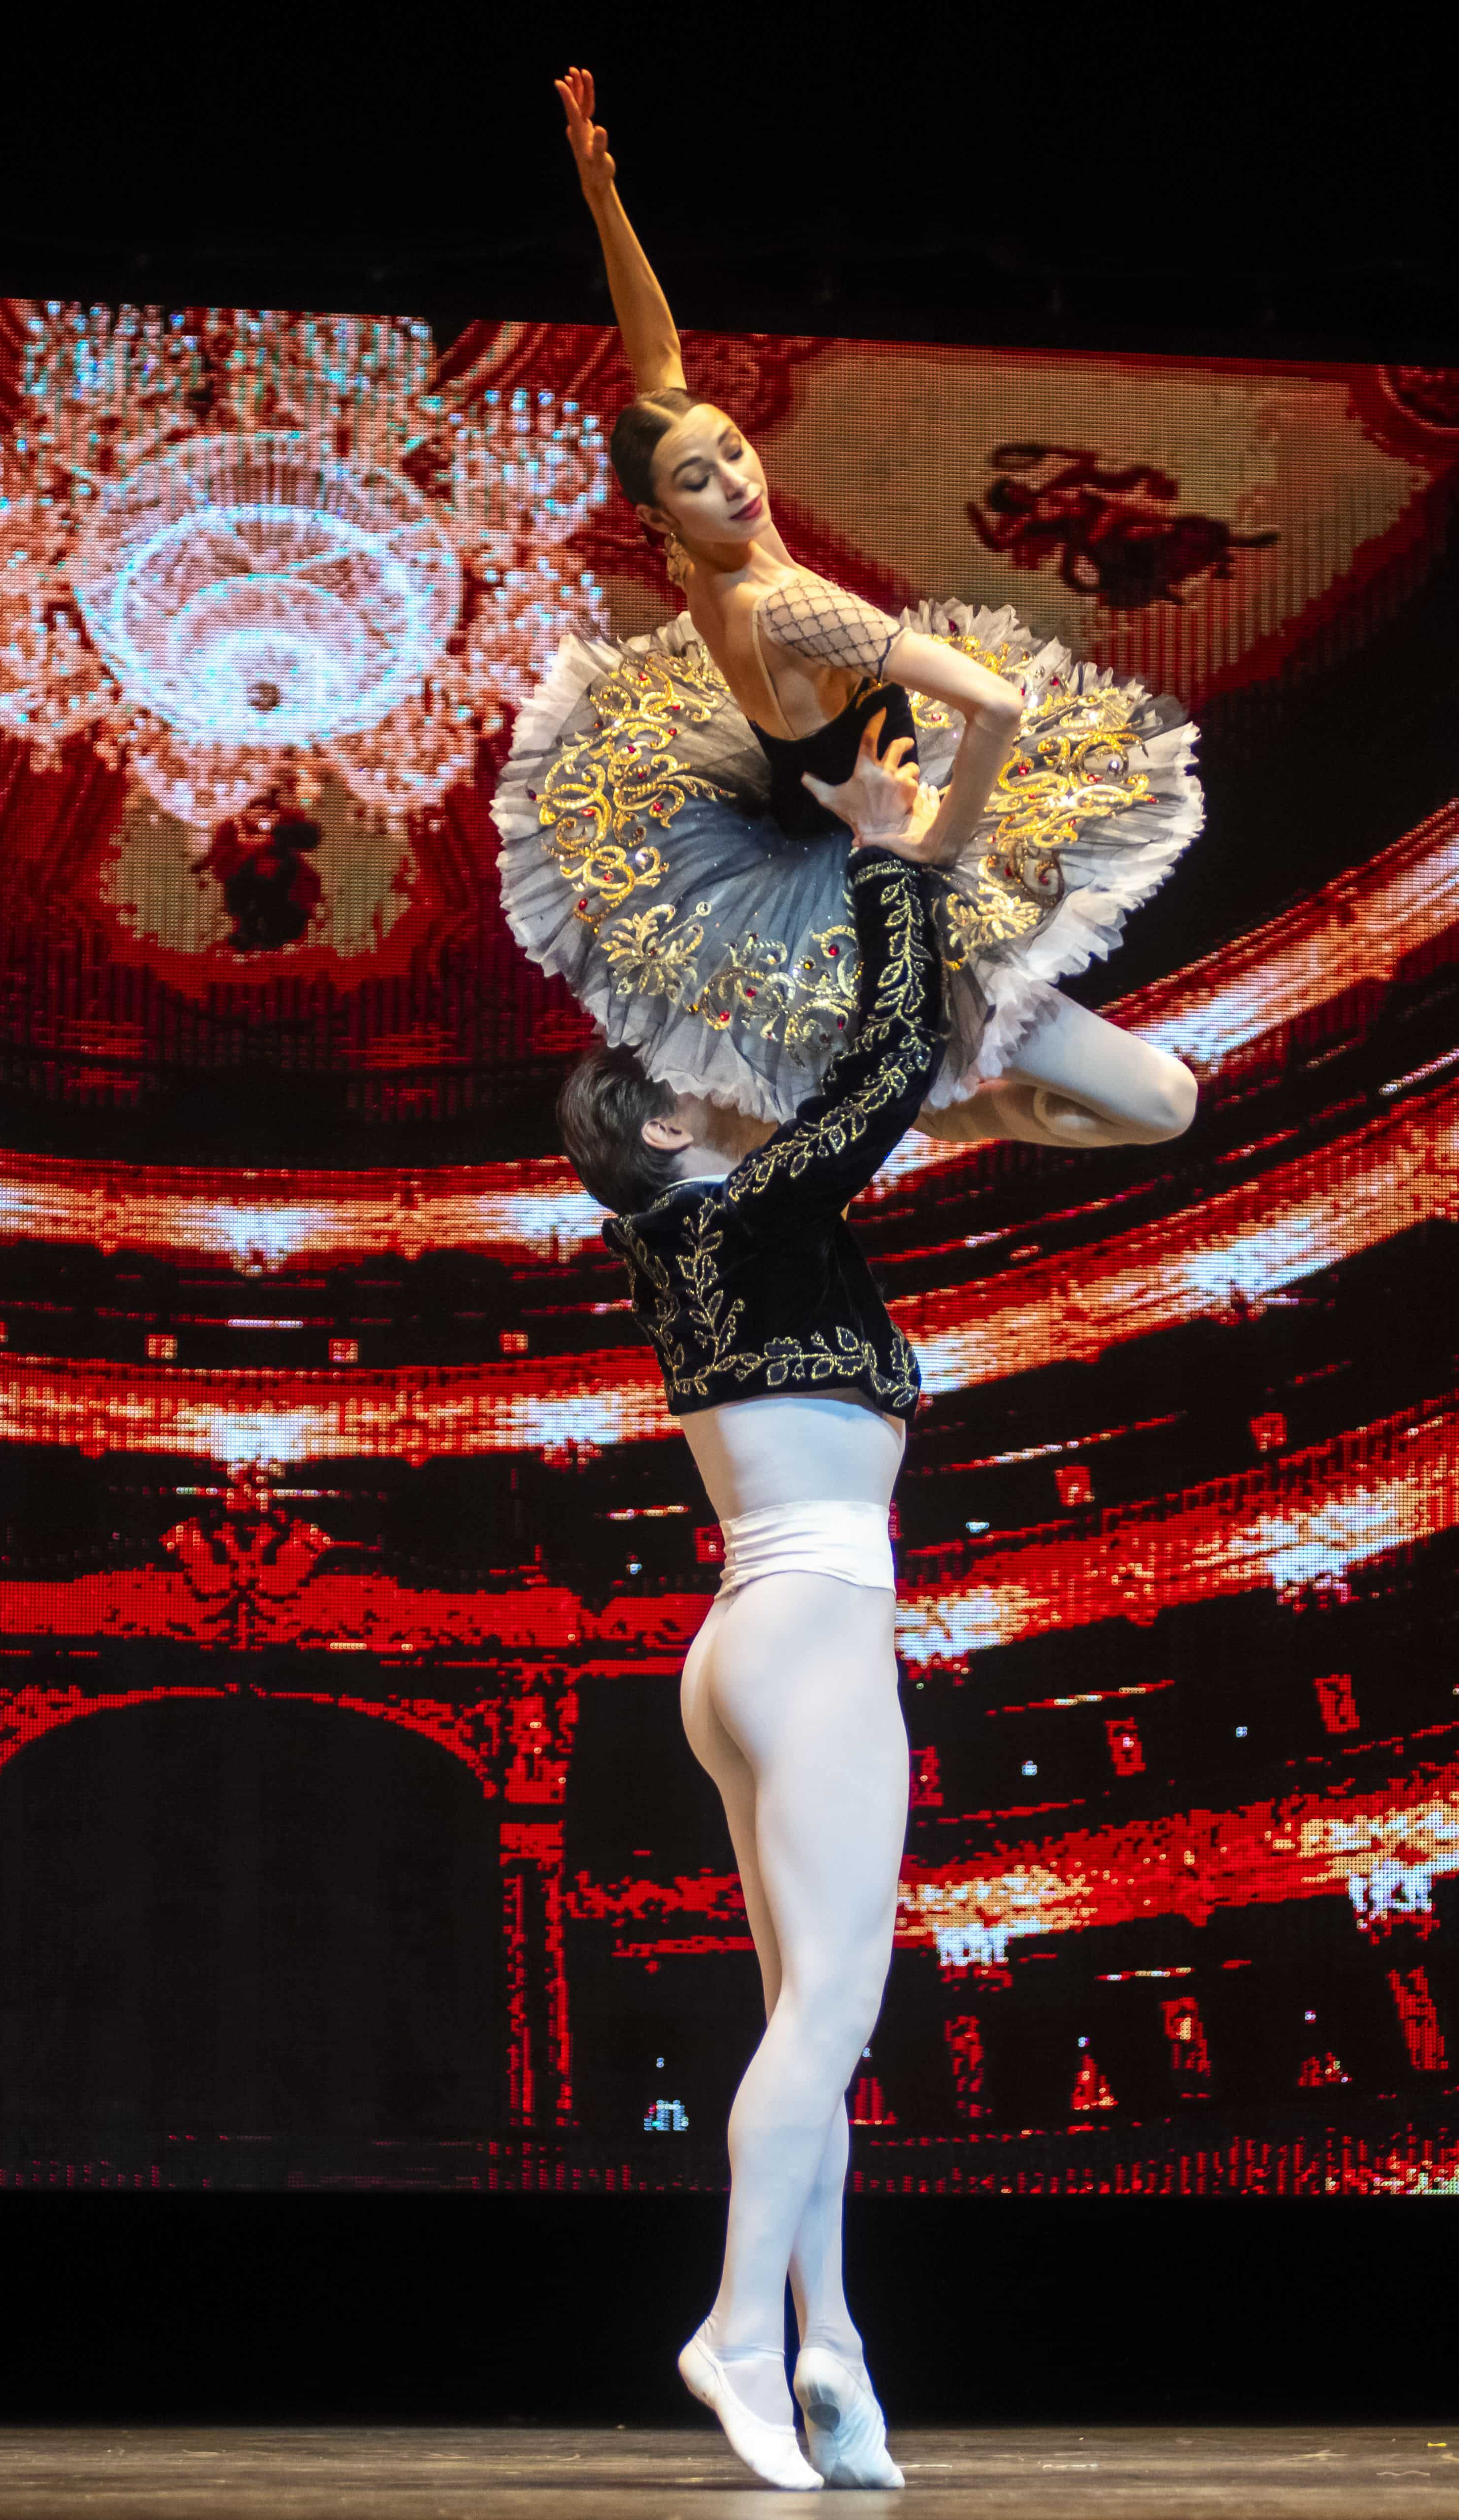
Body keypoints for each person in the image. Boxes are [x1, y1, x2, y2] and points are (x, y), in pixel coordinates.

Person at [496, 67, 1205, 1156]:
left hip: (802, 814)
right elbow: (1001, 704)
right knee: (1163, 1104)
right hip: (860, 865)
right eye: (700, 478)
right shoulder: (791, 604)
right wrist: (942, 847)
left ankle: (955, 1107)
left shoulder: (699, 560)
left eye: (731, 447)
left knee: (1134, 1101)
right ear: (660, 514)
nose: (735, 478)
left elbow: (658, 359)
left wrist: (603, 198)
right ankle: (953, 1108)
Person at [557, 723, 962, 2489]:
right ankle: (735, 2326)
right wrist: (886, 861)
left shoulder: (705, 1242)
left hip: (752, 1640)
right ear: (657, 1124)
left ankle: (832, 2344)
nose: (717, 1069)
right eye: (684, 1064)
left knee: (814, 2008)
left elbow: (851, 1093)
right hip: (807, 1635)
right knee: (833, 2015)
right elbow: (875, 1078)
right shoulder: (745, 1212)